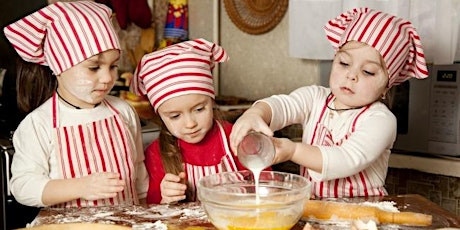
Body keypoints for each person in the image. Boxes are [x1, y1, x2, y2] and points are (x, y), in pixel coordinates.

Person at [230, 7, 428, 198]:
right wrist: (255, 114)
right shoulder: (314, 98)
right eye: (344, 63)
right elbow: (283, 105)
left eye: (367, 71)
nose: (351, 75)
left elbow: (346, 159)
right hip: (315, 210)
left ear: (387, 85)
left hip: (362, 215)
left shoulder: (381, 120)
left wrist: (293, 150)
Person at [4, 1, 148, 208]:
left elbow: (139, 172)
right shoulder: (39, 123)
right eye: (94, 67)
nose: (108, 77)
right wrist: (81, 187)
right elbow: (23, 186)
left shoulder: (123, 111)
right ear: (59, 65)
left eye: (113, 65)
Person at [130, 38, 248, 204]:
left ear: (212, 101)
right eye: (175, 116)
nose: (190, 123)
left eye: (199, 109)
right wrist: (165, 199)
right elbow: (153, 213)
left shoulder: (236, 137)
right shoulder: (157, 153)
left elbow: (266, 189)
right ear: (160, 116)